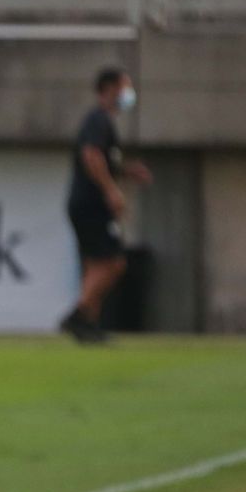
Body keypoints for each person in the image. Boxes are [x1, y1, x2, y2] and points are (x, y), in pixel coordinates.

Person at [59, 67, 152, 344]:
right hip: (91, 203)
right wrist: (111, 190)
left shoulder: (102, 123)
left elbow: (103, 160)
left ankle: (88, 325)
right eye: (125, 87)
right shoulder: (98, 120)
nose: (128, 94)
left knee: (95, 263)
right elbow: (91, 155)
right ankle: (77, 315)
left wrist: (124, 171)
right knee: (113, 263)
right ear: (110, 89)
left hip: (85, 202)